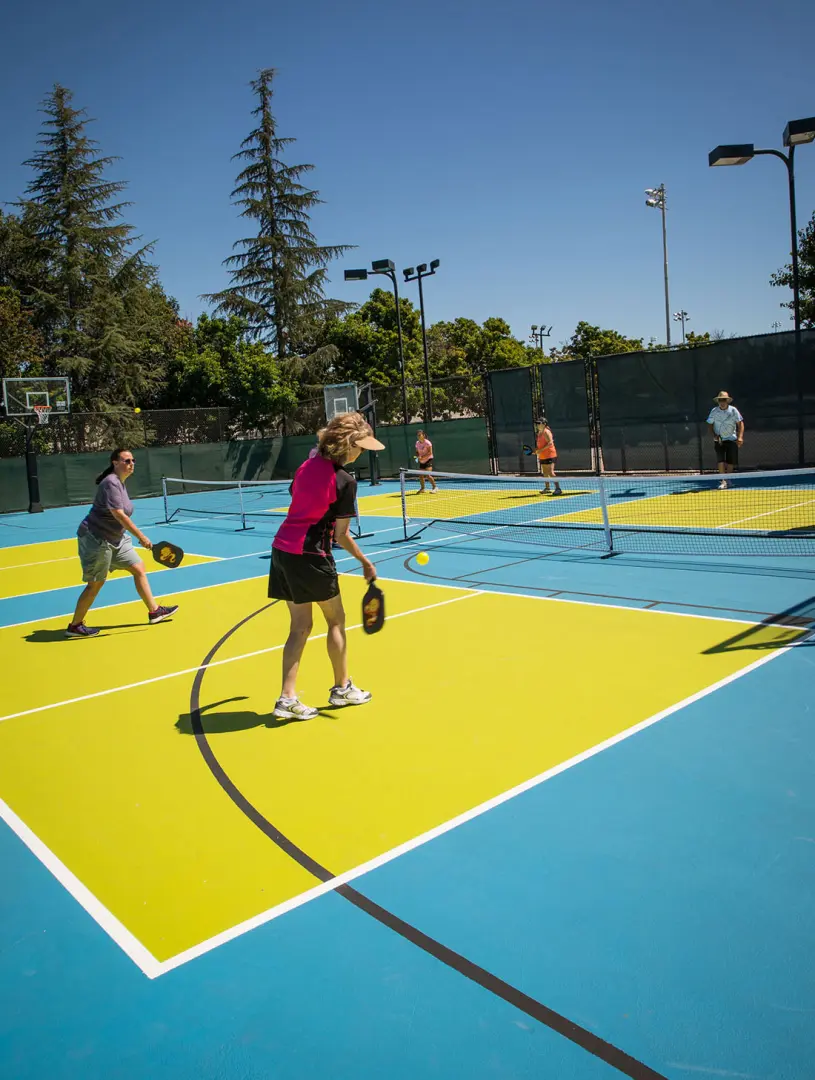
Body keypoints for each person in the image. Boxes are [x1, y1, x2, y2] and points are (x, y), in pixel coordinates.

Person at [269, 412, 385, 720]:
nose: (362, 453)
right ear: (348, 446)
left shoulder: (305, 467)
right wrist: (364, 561)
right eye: (360, 447)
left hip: (282, 549)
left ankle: (287, 698)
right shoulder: (345, 481)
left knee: (299, 627)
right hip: (310, 554)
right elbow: (341, 535)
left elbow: (297, 497)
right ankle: (342, 688)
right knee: (336, 621)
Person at [66, 449, 179, 638]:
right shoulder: (110, 482)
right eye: (127, 460)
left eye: (133, 460)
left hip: (116, 538)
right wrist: (141, 537)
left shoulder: (120, 483)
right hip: (96, 538)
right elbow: (118, 514)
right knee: (96, 583)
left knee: (138, 568)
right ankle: (75, 626)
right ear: (115, 462)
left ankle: (154, 611)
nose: (131, 463)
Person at [706, 390, 744, 489]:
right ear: (718, 401)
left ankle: (728, 479)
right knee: (721, 460)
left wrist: (740, 437)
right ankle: (723, 481)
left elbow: (740, 423)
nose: (722, 402)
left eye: (724, 400)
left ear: (727, 401)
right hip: (719, 440)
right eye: (720, 400)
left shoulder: (733, 410)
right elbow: (710, 424)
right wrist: (715, 435)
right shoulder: (714, 411)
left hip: (732, 439)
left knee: (731, 461)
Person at [535, 417, 562, 495]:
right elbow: (540, 445)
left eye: (539, 423)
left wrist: (541, 450)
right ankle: (547, 488)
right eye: (537, 423)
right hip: (543, 456)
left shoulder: (546, 432)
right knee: (545, 473)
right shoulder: (539, 433)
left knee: (550, 472)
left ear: (544, 424)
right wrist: (537, 450)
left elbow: (550, 443)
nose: (537, 425)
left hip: (550, 454)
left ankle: (558, 488)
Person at [415, 429, 438, 493]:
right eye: (417, 435)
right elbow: (417, 452)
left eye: (420, 435)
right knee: (421, 475)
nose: (418, 436)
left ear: (423, 435)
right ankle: (422, 488)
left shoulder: (428, 443)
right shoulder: (417, 443)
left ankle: (435, 487)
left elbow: (430, 453)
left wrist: (422, 457)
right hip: (422, 461)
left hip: (428, 459)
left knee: (428, 475)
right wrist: (418, 456)